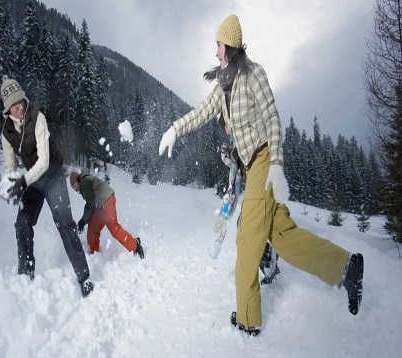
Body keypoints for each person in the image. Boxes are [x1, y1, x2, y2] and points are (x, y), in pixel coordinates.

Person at [159, 14, 364, 336]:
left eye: (219, 45)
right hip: (253, 166)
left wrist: (278, 166)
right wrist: (174, 129)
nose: (215, 52)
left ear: (231, 46)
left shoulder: (253, 75)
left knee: (247, 240)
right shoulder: (223, 85)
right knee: (282, 236)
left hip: (265, 163)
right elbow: (202, 112)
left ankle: (248, 319)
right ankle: (345, 267)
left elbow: (272, 118)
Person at [0, 75, 94, 298]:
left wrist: (23, 181)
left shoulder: (37, 116)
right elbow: (11, 166)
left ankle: (84, 277)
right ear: (7, 110)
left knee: (65, 224)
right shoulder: (7, 132)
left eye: (21, 100)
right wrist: (10, 182)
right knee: (22, 223)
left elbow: (43, 161)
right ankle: (26, 276)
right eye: (14, 104)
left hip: (52, 176)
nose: (20, 106)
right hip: (33, 182)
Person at [220, 116, 280, 285]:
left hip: (266, 179)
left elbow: (251, 145)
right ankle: (272, 259)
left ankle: (269, 261)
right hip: (266, 180)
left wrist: (234, 153)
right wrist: (232, 186)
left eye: (226, 127)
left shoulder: (244, 124)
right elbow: (236, 168)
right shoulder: (236, 135)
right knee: (268, 225)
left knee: (248, 225)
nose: (226, 131)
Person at [69, 170, 144, 259]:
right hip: (100, 205)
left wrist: (83, 220)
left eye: (74, 185)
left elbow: (90, 202)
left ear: (78, 180)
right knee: (92, 230)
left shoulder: (84, 182)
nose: (75, 189)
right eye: (73, 188)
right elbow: (92, 202)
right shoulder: (85, 181)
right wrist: (85, 219)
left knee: (113, 228)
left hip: (106, 200)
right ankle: (95, 256)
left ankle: (135, 245)